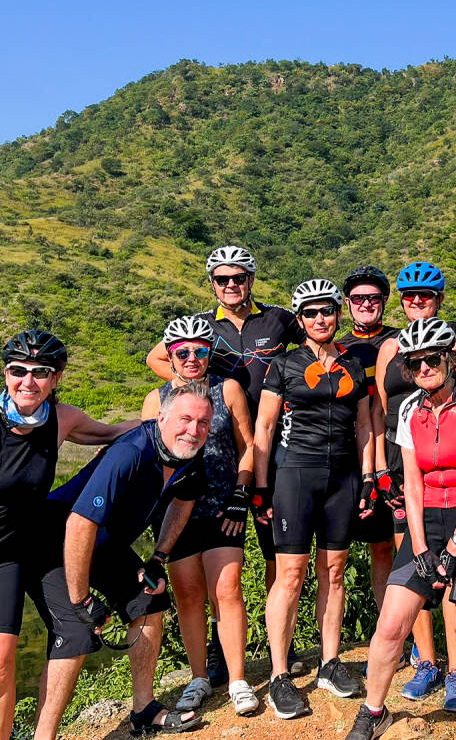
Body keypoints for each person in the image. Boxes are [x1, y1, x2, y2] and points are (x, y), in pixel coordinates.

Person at [0, 330, 138, 740]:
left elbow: (108, 432)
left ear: (57, 377)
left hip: (4, 555)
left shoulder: (62, 419)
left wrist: (168, 420)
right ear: (5, 374)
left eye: (41, 372)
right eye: (18, 371)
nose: (28, 381)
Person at [145, 245, 305, 683]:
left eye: (238, 278)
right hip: (216, 441)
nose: (231, 285)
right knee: (217, 579)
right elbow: (155, 358)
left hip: (267, 447)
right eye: (222, 279)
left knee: (276, 552)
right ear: (212, 283)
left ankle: (281, 651)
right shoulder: (201, 327)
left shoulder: (276, 318)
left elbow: (311, 342)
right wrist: (192, 388)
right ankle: (218, 657)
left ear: (250, 280)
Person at [346, 317, 456, 740]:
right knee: (390, 624)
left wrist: (454, 548)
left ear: (450, 360)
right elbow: (413, 483)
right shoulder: (407, 408)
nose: (423, 369)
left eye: (431, 360)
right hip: (430, 515)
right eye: (414, 364)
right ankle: (374, 710)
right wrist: (419, 546)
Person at [29, 381, 214, 739]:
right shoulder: (131, 451)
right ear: (162, 417)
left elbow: (184, 500)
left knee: (150, 598)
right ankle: (44, 736)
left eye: (203, 423)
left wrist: (159, 555)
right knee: (76, 630)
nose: (193, 430)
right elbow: (79, 524)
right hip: (53, 541)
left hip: (101, 543)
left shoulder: (190, 455)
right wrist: (81, 598)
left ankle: (143, 710)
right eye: (185, 419)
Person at [254, 279, 374, 719]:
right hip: (296, 475)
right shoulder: (283, 365)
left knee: (335, 571)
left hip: (343, 476)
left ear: (337, 315)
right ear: (300, 320)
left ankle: (329, 663)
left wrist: (368, 477)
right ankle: (280, 675)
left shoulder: (354, 365)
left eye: (327, 311)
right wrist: (260, 486)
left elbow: (363, 425)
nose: (320, 319)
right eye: (311, 313)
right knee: (291, 574)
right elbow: (265, 429)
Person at [373, 261, 456, 709]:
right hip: (402, 470)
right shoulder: (390, 346)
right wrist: (378, 468)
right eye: (410, 296)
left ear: (439, 298)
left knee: (449, 575)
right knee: (414, 567)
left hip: (450, 473)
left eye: (426, 295)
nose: (417, 302)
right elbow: (378, 414)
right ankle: (426, 664)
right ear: (401, 300)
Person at [141, 316, 258, 715]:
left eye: (201, 351)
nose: (192, 358)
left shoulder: (228, 389)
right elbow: (148, 458)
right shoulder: (157, 399)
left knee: (226, 590)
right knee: (188, 596)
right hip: (176, 514)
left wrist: (242, 493)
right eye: (183, 351)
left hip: (224, 507)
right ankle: (199, 678)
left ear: (211, 353)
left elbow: (248, 444)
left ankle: (239, 679)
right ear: (170, 355)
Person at [339, 266, 399, 614]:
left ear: (384, 301)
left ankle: (394, 630)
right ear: (348, 303)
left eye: (373, 298)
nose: (365, 304)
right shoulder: (336, 346)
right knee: (337, 554)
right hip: (348, 456)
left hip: (391, 451)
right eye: (358, 298)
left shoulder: (400, 340)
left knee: (384, 547)